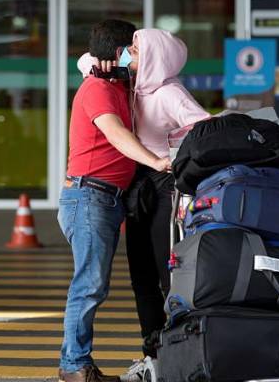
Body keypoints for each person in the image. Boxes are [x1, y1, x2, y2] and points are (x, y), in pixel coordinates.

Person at [78, 28, 210, 359]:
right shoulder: (130, 84)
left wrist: (177, 157)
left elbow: (205, 129)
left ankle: (180, 350)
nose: (126, 53)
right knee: (141, 278)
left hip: (165, 185)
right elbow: (84, 61)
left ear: (155, 58)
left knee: (168, 274)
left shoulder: (169, 93)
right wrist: (100, 63)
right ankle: (153, 351)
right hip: (138, 186)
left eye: (135, 49)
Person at [58, 20, 170, 382]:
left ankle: (77, 363)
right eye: (132, 49)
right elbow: (116, 133)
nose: (137, 55)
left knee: (93, 284)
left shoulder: (117, 83)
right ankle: (74, 366)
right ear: (118, 53)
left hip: (104, 199)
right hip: (89, 196)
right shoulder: (97, 89)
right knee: (89, 285)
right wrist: (155, 162)